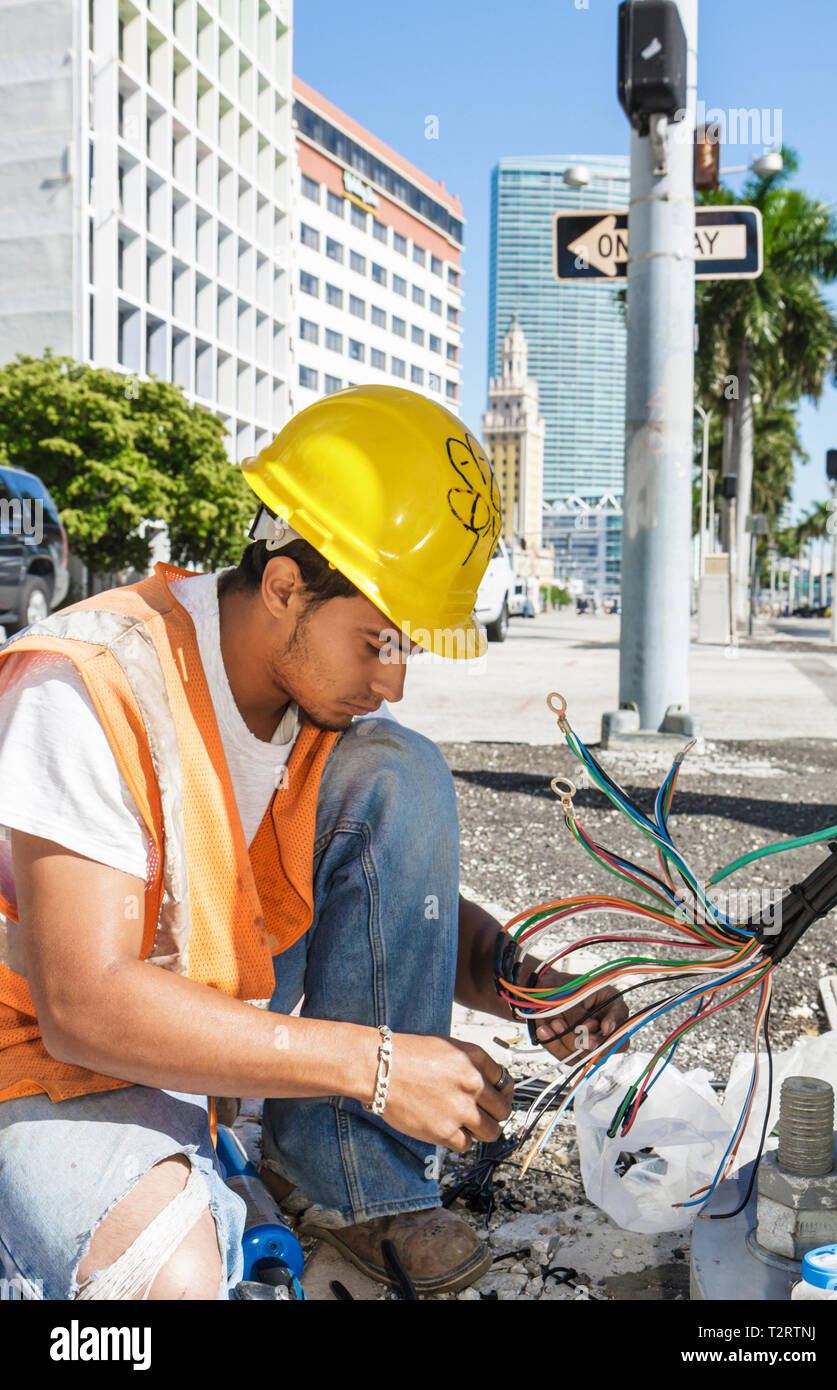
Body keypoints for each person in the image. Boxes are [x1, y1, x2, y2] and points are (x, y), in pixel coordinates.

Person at [0, 386, 625, 1300]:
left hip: (191, 1017)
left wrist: (523, 981)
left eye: (406, 643)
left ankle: (354, 1187)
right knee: (165, 1279)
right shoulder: (88, 685)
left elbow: (381, 900)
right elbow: (82, 1005)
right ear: (286, 585)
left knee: (401, 768)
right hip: (43, 1055)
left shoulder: (312, 714)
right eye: (379, 641)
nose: (396, 677)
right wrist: (375, 1069)